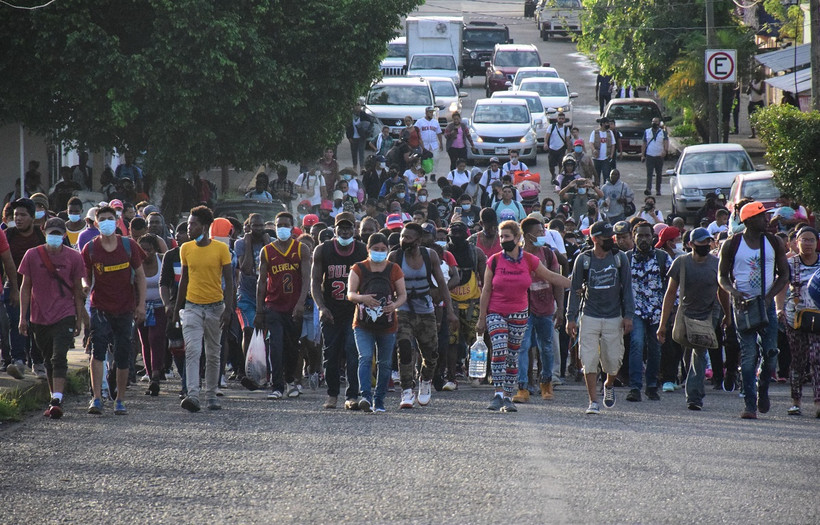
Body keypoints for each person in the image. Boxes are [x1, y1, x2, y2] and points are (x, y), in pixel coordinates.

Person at [476, 220, 570, 412]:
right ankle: (498, 394)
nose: (503, 241)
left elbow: (551, 277)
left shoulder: (529, 260)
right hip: (496, 312)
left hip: (519, 313)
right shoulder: (494, 260)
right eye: (501, 237)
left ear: (518, 238)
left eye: (507, 237)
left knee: (513, 355)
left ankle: (509, 395)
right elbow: (486, 290)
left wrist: (574, 284)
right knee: (500, 349)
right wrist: (482, 317)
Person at [718, 201, 789, 419]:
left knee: (771, 355)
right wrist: (734, 292)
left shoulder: (773, 241)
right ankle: (750, 405)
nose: (766, 220)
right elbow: (722, 276)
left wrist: (769, 298)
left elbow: (784, 275)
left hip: (765, 305)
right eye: (761, 216)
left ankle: (763, 389)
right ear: (748, 220)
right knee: (748, 358)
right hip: (744, 306)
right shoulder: (732, 244)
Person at [18, 218, 86, 418]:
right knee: (48, 359)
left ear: (64, 235)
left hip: (64, 313)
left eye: (59, 233)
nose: (55, 236)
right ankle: (53, 397)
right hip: (39, 316)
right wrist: (23, 317)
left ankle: (57, 399)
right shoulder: (32, 255)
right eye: (51, 232)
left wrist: (79, 318)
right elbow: (25, 287)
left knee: (59, 357)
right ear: (44, 231)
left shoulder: (74, 257)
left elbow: (77, 289)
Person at [82, 206, 147, 415]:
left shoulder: (129, 246)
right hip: (100, 307)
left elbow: (140, 276)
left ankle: (120, 399)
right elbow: (86, 276)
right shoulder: (90, 249)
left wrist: (141, 305)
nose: (107, 222)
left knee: (122, 354)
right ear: (96, 222)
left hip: (125, 308)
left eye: (111, 218)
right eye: (103, 219)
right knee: (97, 351)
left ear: (117, 221)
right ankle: (97, 398)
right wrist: (84, 287)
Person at [658, 228, 730, 410]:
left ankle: (694, 396)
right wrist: (662, 324)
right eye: (700, 243)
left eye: (707, 242)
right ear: (690, 245)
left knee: (699, 351)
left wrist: (727, 315)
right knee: (688, 351)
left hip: (708, 313)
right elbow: (670, 293)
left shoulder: (716, 263)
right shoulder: (681, 263)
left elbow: (722, 292)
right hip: (686, 312)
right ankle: (694, 385)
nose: (705, 246)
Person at [566, 221, 634, 414]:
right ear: (595, 239)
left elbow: (627, 289)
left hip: (614, 316)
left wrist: (628, 315)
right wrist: (571, 317)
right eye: (606, 238)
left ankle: (609, 384)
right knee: (588, 359)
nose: (612, 241)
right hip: (589, 316)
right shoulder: (584, 260)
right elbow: (575, 290)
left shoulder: (620, 259)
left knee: (613, 361)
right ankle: (593, 401)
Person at [388, 223, 457, 408]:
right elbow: (387, 284)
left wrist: (450, 310)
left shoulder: (430, 255)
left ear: (418, 240)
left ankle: (425, 381)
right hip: (403, 308)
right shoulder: (395, 256)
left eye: (408, 237)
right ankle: (407, 390)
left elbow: (442, 283)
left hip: (426, 309)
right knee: (404, 348)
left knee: (431, 352)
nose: (403, 240)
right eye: (402, 236)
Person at [173, 206, 233, 412]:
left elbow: (229, 281)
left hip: (216, 308)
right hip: (192, 308)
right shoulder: (186, 248)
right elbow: (184, 280)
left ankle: (211, 395)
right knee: (192, 350)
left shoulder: (221, 249)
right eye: (189, 224)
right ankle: (193, 395)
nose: (189, 228)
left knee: (213, 353)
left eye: (193, 224)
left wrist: (228, 309)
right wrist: (176, 310)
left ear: (205, 227)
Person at [312, 212, 368, 409]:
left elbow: (369, 280)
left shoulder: (362, 250)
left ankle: (352, 394)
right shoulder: (323, 249)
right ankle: (332, 393)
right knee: (331, 354)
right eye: (341, 228)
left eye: (348, 227)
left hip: (354, 310)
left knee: (353, 352)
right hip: (331, 310)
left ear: (354, 229)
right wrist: (321, 307)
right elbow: (315, 281)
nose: (345, 231)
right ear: (334, 229)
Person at [347, 233, 407, 412]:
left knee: (385, 362)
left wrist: (394, 305)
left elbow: (403, 294)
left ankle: (379, 400)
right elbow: (350, 294)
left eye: (383, 249)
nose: (379, 252)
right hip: (363, 323)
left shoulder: (394, 268)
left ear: (388, 250)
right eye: (376, 249)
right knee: (365, 358)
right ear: (368, 249)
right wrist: (362, 298)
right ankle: (365, 395)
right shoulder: (358, 268)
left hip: (388, 323)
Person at [255, 212, 309, 400]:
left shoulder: (301, 249)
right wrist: (259, 309)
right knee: (276, 346)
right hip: (274, 306)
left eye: (286, 225)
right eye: (279, 225)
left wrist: (301, 303)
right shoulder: (267, 251)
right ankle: (277, 386)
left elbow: (306, 279)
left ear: (293, 227)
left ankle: (290, 380)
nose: (282, 228)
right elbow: (261, 282)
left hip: (294, 307)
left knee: (292, 347)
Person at [514, 217, 564, 402]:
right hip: (523, 309)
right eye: (539, 232)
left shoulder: (549, 254)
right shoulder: (517, 255)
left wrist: (560, 309)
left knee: (547, 348)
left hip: (546, 308)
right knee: (523, 347)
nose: (543, 234)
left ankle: (546, 384)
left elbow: (557, 282)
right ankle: (523, 388)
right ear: (527, 235)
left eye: (543, 231)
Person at [776, 226, 820, 417]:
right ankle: (796, 401)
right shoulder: (790, 263)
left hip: (818, 318)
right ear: (797, 242)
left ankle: (818, 402)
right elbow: (781, 287)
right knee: (798, 360)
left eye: (811, 240)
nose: (808, 244)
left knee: (817, 359)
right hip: (795, 318)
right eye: (804, 239)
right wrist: (779, 308)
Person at [625, 222, 669, 402]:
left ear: (653, 238)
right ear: (633, 236)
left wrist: (670, 310)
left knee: (655, 348)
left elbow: (672, 285)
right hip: (635, 310)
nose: (643, 239)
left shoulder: (662, 257)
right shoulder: (626, 258)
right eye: (640, 236)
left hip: (657, 310)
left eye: (647, 236)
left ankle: (652, 385)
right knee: (636, 344)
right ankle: (635, 387)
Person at [160, 222, 189, 397]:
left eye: (183, 231)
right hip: (175, 309)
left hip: (195, 306)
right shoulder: (170, 256)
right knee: (176, 345)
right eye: (177, 232)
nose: (178, 235)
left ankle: (187, 385)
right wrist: (167, 304)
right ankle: (185, 376)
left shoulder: (197, 253)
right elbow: (163, 283)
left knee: (193, 347)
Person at [136, 233, 166, 396]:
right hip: (141, 306)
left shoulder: (162, 260)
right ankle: (150, 372)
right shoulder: (135, 264)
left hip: (160, 306)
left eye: (149, 250)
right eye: (142, 250)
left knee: (156, 338)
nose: (145, 253)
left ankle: (155, 374)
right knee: (145, 341)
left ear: (155, 250)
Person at [640, 118, 668, 197]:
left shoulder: (663, 132)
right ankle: (648, 189)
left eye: (656, 122)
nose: (654, 123)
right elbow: (644, 143)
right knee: (649, 173)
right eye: (653, 122)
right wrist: (642, 155)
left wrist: (665, 151)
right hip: (649, 155)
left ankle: (658, 190)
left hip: (659, 156)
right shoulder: (647, 131)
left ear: (659, 124)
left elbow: (666, 142)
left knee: (659, 174)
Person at [346, 102, 373, 172]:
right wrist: (349, 137)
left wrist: (366, 133)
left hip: (361, 136)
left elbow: (370, 123)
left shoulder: (363, 114)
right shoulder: (350, 116)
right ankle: (354, 166)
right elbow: (347, 127)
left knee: (361, 152)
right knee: (354, 152)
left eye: (358, 105)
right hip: (353, 136)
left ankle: (362, 167)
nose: (357, 107)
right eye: (356, 105)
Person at [589, 117, 615, 186]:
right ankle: (597, 189)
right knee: (596, 175)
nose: (608, 125)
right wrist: (594, 150)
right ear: (603, 124)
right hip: (597, 158)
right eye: (607, 123)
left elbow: (613, 145)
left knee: (606, 175)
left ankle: (605, 188)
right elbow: (591, 143)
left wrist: (611, 155)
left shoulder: (610, 133)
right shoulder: (595, 132)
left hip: (606, 158)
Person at [546, 112, 571, 179]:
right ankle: (553, 175)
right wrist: (545, 143)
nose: (561, 120)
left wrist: (568, 150)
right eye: (560, 118)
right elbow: (547, 135)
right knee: (551, 166)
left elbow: (567, 140)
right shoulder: (551, 126)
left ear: (564, 120)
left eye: (562, 119)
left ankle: (559, 178)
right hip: (552, 148)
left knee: (561, 165)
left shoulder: (566, 129)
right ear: (557, 119)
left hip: (561, 149)